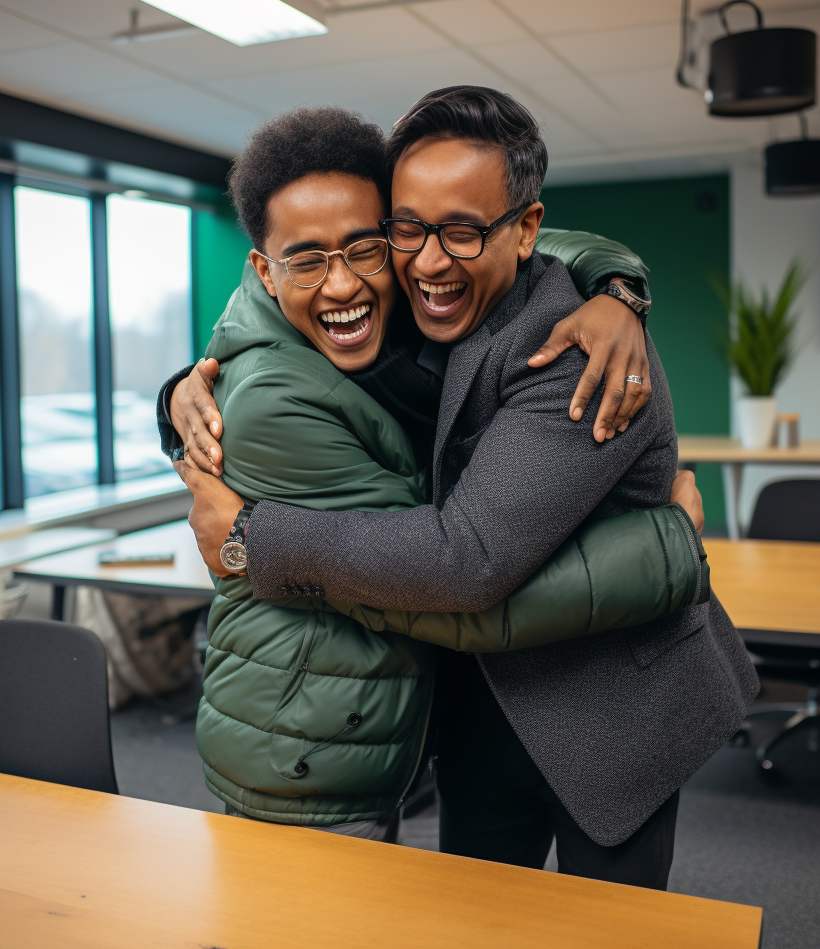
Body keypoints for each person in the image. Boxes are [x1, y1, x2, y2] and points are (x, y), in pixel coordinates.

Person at [169, 87, 758, 889]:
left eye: (462, 231)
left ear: (524, 230)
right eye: (407, 230)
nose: (430, 260)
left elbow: (464, 561)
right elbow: (264, 319)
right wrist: (180, 390)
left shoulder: (579, 355)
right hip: (477, 698)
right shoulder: (413, 295)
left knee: (611, 936)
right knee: (474, 922)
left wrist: (252, 536)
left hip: (609, 707)